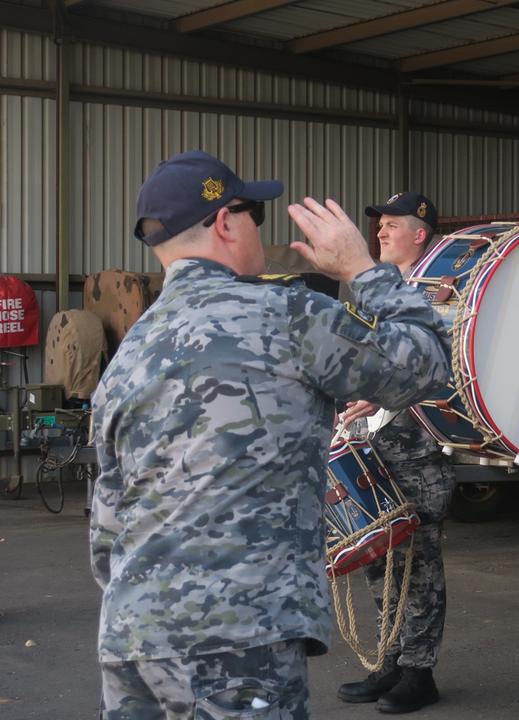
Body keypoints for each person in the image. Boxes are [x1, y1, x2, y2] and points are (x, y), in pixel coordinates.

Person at [90, 150, 451, 719]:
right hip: (240, 635)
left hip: (132, 638)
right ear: (225, 222)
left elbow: (107, 527)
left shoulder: (130, 353)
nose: (261, 225)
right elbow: (427, 362)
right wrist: (364, 271)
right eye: (254, 210)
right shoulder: (289, 315)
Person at [334, 192, 456, 713]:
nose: (380, 233)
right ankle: (387, 661)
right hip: (376, 445)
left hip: (420, 449)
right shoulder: (378, 294)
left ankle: (418, 671)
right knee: (379, 558)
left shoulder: (442, 296)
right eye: (378, 226)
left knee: (419, 563)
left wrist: (386, 392)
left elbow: (453, 374)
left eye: (390, 226)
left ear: (420, 234)